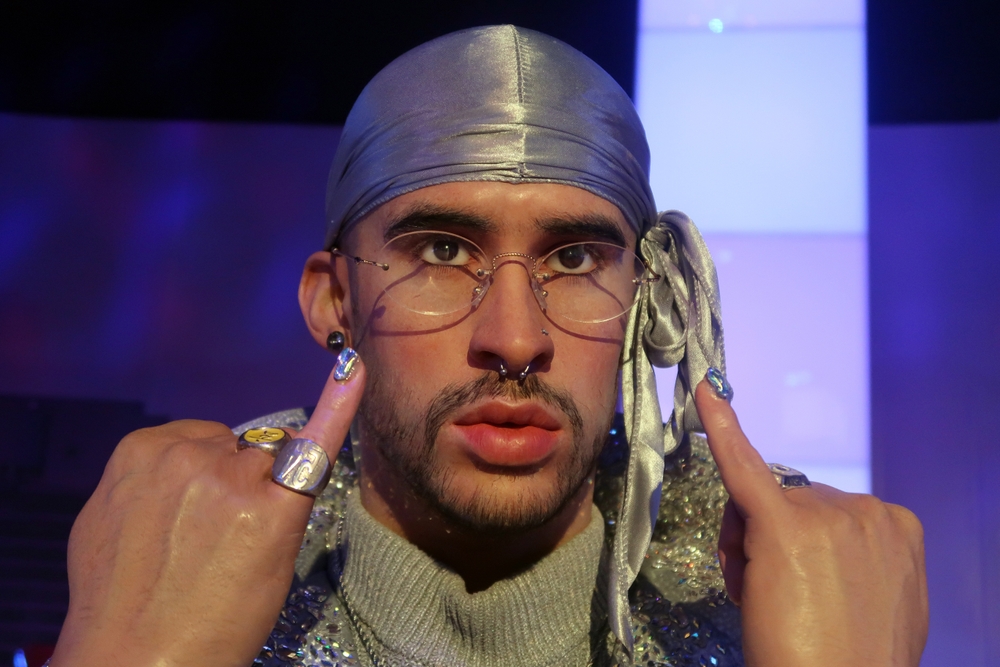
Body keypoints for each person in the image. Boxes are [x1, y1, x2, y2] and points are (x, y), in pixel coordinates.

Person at [49, 25, 928, 667]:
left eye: (575, 258)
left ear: (645, 301)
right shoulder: (177, 569)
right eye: (440, 250)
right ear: (334, 300)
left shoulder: (761, 593)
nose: (515, 339)